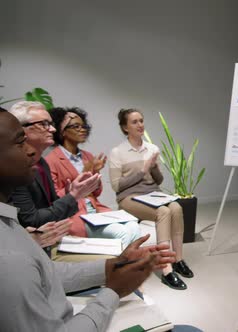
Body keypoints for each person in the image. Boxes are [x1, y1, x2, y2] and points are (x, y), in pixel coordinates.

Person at [0, 106, 176, 331]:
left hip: (89, 212)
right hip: (75, 219)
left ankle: (172, 264)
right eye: (19, 141)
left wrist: (113, 265)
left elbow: (46, 273)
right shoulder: (9, 257)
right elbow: (51, 210)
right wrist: (113, 290)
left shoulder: (10, 220)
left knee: (152, 219)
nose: (31, 151)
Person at [109, 108, 193, 290]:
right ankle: (167, 270)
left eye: (141, 120)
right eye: (134, 122)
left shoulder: (152, 149)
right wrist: (142, 170)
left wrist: (153, 168)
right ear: (125, 128)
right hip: (129, 197)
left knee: (176, 207)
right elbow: (117, 186)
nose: (140, 125)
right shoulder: (118, 152)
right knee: (164, 211)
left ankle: (178, 259)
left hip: (153, 194)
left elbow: (159, 180)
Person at [8, 101, 102, 259]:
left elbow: (53, 206)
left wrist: (71, 193)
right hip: (32, 250)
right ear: (21, 130)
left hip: (54, 239)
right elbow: (32, 220)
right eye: (44, 124)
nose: (52, 129)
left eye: (51, 124)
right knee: (109, 262)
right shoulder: (15, 168)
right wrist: (74, 196)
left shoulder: (42, 162)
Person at [46, 107, 141, 248]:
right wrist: (86, 172)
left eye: (83, 125)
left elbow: (96, 192)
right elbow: (54, 198)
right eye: (76, 126)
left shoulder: (87, 156)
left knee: (134, 226)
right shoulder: (51, 160)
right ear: (62, 131)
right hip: (74, 215)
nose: (82, 129)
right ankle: (119, 267)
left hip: (95, 209)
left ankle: (126, 265)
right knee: (121, 233)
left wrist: (95, 172)